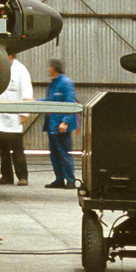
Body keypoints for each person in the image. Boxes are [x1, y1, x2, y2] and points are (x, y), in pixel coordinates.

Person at [0, 52, 33, 185]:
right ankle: (7, 177)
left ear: (11, 56)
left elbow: (27, 90)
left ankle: (22, 177)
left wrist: (25, 113)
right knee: (3, 150)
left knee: (17, 150)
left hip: (13, 118)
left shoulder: (21, 70)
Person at [43, 59, 79, 189]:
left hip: (60, 125)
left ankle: (70, 180)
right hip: (52, 124)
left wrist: (65, 122)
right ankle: (59, 179)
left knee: (64, 153)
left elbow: (70, 103)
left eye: (49, 67)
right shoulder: (53, 84)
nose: (48, 69)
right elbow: (50, 101)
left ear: (54, 68)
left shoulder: (66, 83)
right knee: (54, 153)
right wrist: (34, 101)